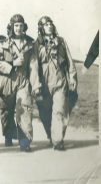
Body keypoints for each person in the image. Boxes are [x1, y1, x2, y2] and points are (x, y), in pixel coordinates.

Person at [0, 14, 40, 152]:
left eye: (21, 25)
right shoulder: (1, 42)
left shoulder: (30, 44)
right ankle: (8, 134)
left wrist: (35, 85)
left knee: (24, 109)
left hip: (23, 81)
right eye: (16, 25)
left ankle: (25, 142)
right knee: (6, 111)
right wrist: (12, 64)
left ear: (24, 27)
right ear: (11, 27)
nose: (18, 28)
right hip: (6, 81)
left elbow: (33, 65)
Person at [35, 16, 78, 150]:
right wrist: (36, 84)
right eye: (46, 24)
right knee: (45, 113)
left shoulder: (61, 41)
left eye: (50, 24)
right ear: (41, 28)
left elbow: (70, 61)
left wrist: (72, 78)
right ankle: (51, 135)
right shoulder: (37, 44)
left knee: (60, 110)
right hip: (44, 82)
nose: (49, 26)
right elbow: (33, 66)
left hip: (60, 80)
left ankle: (58, 141)